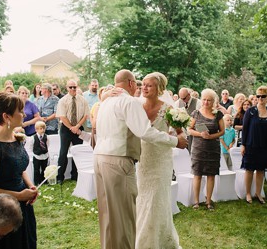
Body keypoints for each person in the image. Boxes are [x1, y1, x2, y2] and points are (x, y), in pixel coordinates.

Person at [94, 70, 187, 249]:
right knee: (125, 217)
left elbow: (178, 130)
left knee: (109, 215)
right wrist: (175, 141)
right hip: (122, 160)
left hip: (106, 158)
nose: (142, 87)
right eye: (139, 83)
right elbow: (144, 132)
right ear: (131, 83)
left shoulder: (106, 102)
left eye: (147, 84)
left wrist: (105, 94)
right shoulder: (131, 102)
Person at [0, 92, 38, 249]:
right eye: (20, 111)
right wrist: (19, 196)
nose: (24, 114)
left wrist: (30, 186)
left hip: (23, 208)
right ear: (7, 117)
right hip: (2, 213)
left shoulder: (15, 138)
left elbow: (19, 168)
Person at [134, 72, 182, 249]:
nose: (144, 88)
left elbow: (180, 134)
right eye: (143, 84)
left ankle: (156, 242)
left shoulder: (169, 110)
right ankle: (141, 237)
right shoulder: (137, 106)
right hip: (143, 160)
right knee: (143, 199)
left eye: (149, 85)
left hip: (161, 160)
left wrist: (175, 137)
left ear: (159, 89)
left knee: (156, 200)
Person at [240, 86, 267, 205]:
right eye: (258, 96)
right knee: (249, 170)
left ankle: (258, 193)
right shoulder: (250, 111)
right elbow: (245, 129)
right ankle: (247, 193)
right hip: (251, 145)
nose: (260, 98)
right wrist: (243, 145)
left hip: (266, 146)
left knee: (261, 170)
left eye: (263, 96)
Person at [188, 89, 225, 210]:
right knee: (197, 174)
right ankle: (196, 201)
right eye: (204, 99)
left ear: (213, 101)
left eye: (209, 100)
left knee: (211, 175)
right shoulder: (196, 113)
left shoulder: (218, 114)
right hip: (198, 148)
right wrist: (200, 135)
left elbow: (222, 131)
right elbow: (189, 129)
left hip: (213, 148)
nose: (206, 102)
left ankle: (208, 201)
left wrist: (210, 136)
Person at [56, 80, 89, 184]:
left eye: (74, 87)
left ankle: (75, 175)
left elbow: (85, 115)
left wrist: (77, 126)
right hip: (66, 128)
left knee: (77, 152)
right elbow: (62, 116)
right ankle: (60, 177)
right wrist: (71, 127)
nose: (73, 89)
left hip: (79, 128)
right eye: (70, 87)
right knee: (63, 153)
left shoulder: (83, 100)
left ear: (77, 87)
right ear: (67, 88)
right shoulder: (63, 100)